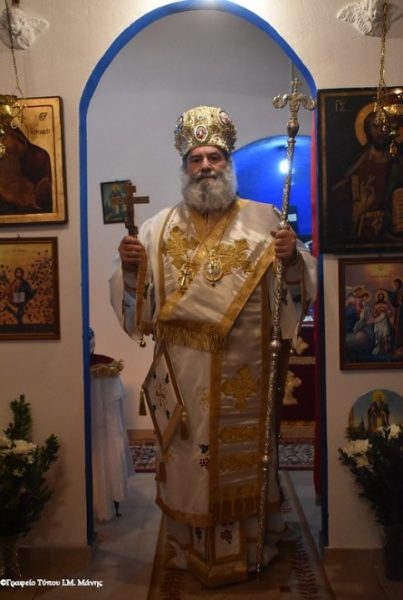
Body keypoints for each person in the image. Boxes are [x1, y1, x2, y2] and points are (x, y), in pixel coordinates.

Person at [110, 105, 317, 586]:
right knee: (189, 460)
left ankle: (253, 545)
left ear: (229, 163)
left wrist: (291, 260)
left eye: (215, 157)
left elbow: (298, 288)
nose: (205, 166)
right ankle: (187, 546)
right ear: (185, 166)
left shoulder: (265, 220)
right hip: (184, 375)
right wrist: (130, 268)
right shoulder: (158, 228)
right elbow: (139, 306)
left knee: (244, 460)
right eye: (196, 158)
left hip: (246, 372)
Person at [331, 107, 403, 246]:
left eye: (384, 127)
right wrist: (359, 207)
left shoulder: (399, 163)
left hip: (395, 236)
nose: (380, 132)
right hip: (363, 234)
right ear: (367, 130)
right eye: (375, 126)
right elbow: (337, 198)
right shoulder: (357, 163)